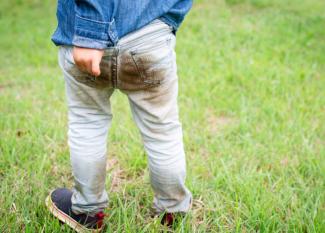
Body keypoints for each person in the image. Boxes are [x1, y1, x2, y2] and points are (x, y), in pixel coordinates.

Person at [45, 0, 193, 232]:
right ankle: (172, 212)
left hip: (85, 39)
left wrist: (89, 34)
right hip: (150, 34)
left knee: (88, 121)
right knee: (162, 130)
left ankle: (88, 212)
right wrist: (167, 19)